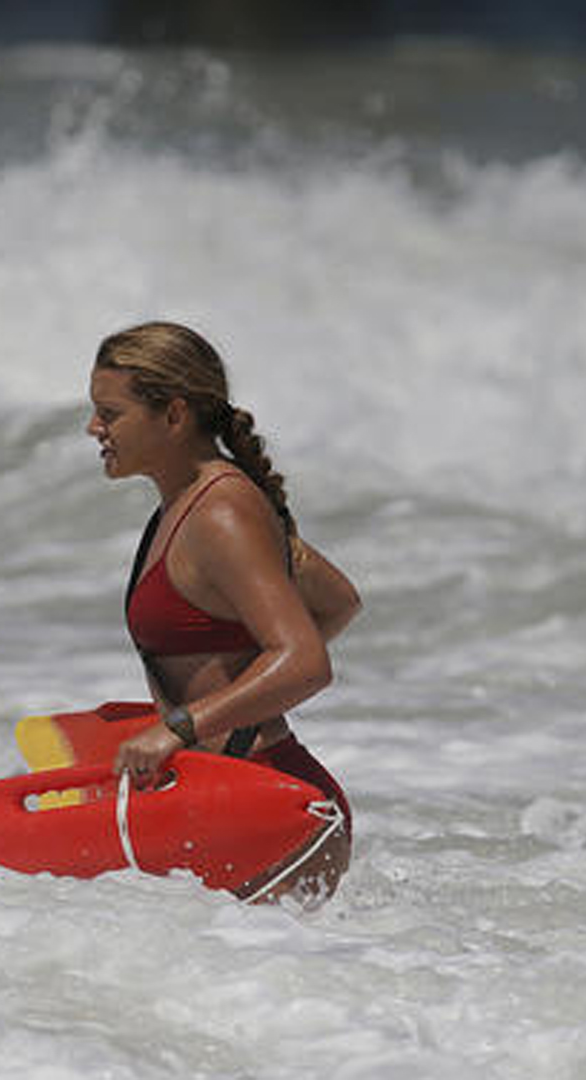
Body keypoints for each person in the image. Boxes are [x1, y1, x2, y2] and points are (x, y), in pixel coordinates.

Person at [87, 321, 362, 903]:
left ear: (174, 415)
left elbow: (304, 662)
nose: (94, 428)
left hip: (271, 811)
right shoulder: (185, 507)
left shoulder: (221, 513)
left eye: (110, 413)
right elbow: (336, 601)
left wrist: (181, 726)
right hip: (232, 797)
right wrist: (231, 685)